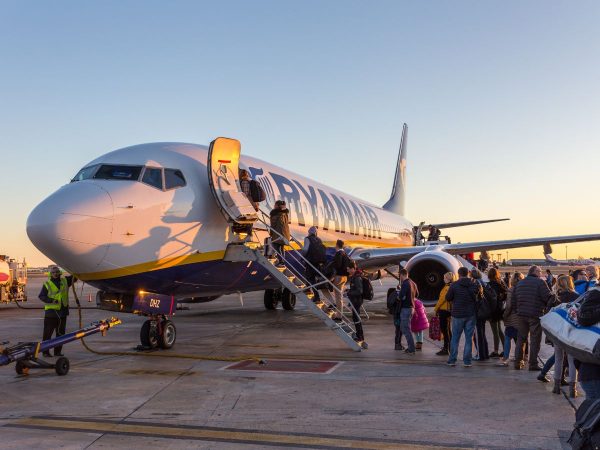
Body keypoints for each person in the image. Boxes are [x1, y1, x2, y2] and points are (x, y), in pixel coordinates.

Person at [513, 265, 557, 371]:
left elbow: (514, 300)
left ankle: (518, 362)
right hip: (535, 314)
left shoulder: (520, 283)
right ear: (536, 272)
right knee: (535, 340)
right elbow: (547, 297)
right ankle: (533, 364)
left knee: (521, 339)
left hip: (521, 315)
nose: (541, 274)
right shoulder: (540, 282)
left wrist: (517, 311)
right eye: (540, 271)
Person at [549, 275, 580, 396]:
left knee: (558, 358)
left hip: (557, 331)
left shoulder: (554, 297)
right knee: (572, 360)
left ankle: (556, 386)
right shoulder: (576, 297)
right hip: (571, 332)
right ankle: (573, 389)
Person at [446, 266, 482, 367]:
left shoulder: (454, 284)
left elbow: (448, 298)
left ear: (459, 274)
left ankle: (452, 360)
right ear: (468, 273)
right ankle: (467, 361)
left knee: (455, 338)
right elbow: (479, 297)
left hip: (457, 314)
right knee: (468, 339)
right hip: (470, 314)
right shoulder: (475, 283)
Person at [38, 266, 75, 357]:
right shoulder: (47, 284)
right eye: (53, 272)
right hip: (51, 313)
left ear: (60, 273)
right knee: (47, 335)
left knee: (60, 334)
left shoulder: (64, 281)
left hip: (62, 313)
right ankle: (45, 352)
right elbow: (41, 296)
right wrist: (51, 300)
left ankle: (57, 352)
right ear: (51, 274)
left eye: (57, 272)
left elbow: (74, 278)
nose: (55, 274)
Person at [575, 288, 600, 399]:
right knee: (594, 411)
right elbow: (584, 317)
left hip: (590, 370)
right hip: (593, 372)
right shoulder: (596, 294)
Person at [498, 272, 524, 366]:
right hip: (522, 318)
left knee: (508, 337)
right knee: (520, 340)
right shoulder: (523, 290)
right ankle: (519, 358)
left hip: (512, 318)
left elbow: (508, 306)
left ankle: (505, 358)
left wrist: (505, 315)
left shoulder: (511, 290)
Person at [434, 272, 457, 356]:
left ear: (448, 279)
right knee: (448, 330)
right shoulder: (452, 286)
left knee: (444, 330)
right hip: (449, 310)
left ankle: (446, 348)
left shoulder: (447, 287)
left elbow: (442, 299)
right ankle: (449, 347)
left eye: (444, 278)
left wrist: (436, 309)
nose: (443, 279)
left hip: (444, 310)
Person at [346, 264, 368, 349]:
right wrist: (349, 291)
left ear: (353, 269)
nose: (347, 271)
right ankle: (359, 335)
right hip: (355, 301)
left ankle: (360, 336)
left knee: (357, 319)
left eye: (348, 269)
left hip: (357, 301)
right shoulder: (355, 276)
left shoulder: (357, 278)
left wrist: (349, 293)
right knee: (356, 319)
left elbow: (359, 291)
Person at [487, 268, 507, 358]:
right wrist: (501, 300)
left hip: (491, 310)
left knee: (495, 331)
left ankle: (495, 351)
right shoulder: (499, 285)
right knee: (499, 330)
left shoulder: (488, 285)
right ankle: (505, 349)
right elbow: (505, 295)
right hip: (499, 310)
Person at [398, 268, 419, 354]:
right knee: (406, 327)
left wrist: (399, 295)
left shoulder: (405, 284)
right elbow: (417, 294)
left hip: (406, 308)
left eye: (400, 276)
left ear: (402, 275)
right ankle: (411, 347)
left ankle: (411, 348)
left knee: (405, 328)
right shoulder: (412, 283)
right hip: (412, 308)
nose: (400, 278)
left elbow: (401, 296)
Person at [471, 269, 489, 361]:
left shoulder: (476, 284)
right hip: (484, 311)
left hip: (478, 312)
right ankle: (485, 353)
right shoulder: (484, 283)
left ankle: (480, 355)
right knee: (482, 334)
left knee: (477, 335)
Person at [330, 240, 351, 320]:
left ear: (337, 245)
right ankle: (339, 313)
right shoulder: (345, 253)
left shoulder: (339, 253)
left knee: (338, 297)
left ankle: (339, 315)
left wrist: (332, 264)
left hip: (339, 277)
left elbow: (338, 265)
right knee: (339, 296)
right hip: (344, 277)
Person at [269, 200, 290, 266]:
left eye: (275, 205)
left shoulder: (275, 213)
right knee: (281, 247)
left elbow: (273, 224)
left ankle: (281, 261)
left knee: (275, 246)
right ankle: (282, 262)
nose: (274, 206)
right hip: (285, 233)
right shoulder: (285, 213)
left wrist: (271, 232)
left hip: (278, 233)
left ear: (277, 206)